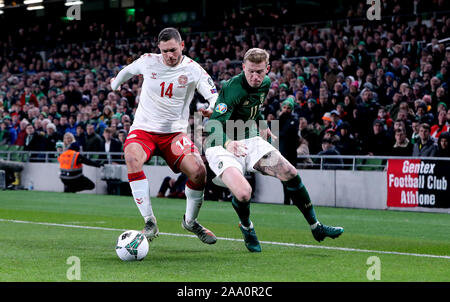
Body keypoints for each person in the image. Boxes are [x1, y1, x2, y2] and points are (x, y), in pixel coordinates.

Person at [204, 48, 343, 253]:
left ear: (267, 69)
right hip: (221, 143)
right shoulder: (232, 87)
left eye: (259, 71)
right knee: (243, 193)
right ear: (243, 67)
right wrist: (228, 144)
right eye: (250, 71)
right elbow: (213, 124)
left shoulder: (265, 84)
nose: (255, 76)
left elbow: (255, 108)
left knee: (289, 172)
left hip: (249, 139)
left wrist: (261, 124)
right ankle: (247, 227)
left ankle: (316, 226)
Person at [110, 27, 218, 244]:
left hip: (174, 134)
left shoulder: (193, 70)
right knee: (131, 158)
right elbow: (127, 71)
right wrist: (115, 84)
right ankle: (149, 220)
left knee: (199, 171)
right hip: (144, 130)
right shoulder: (148, 60)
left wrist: (212, 108)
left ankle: (190, 221)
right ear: (159, 49)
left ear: (182, 46)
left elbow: (213, 95)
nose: (169, 55)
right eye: (165, 51)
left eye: (173, 50)